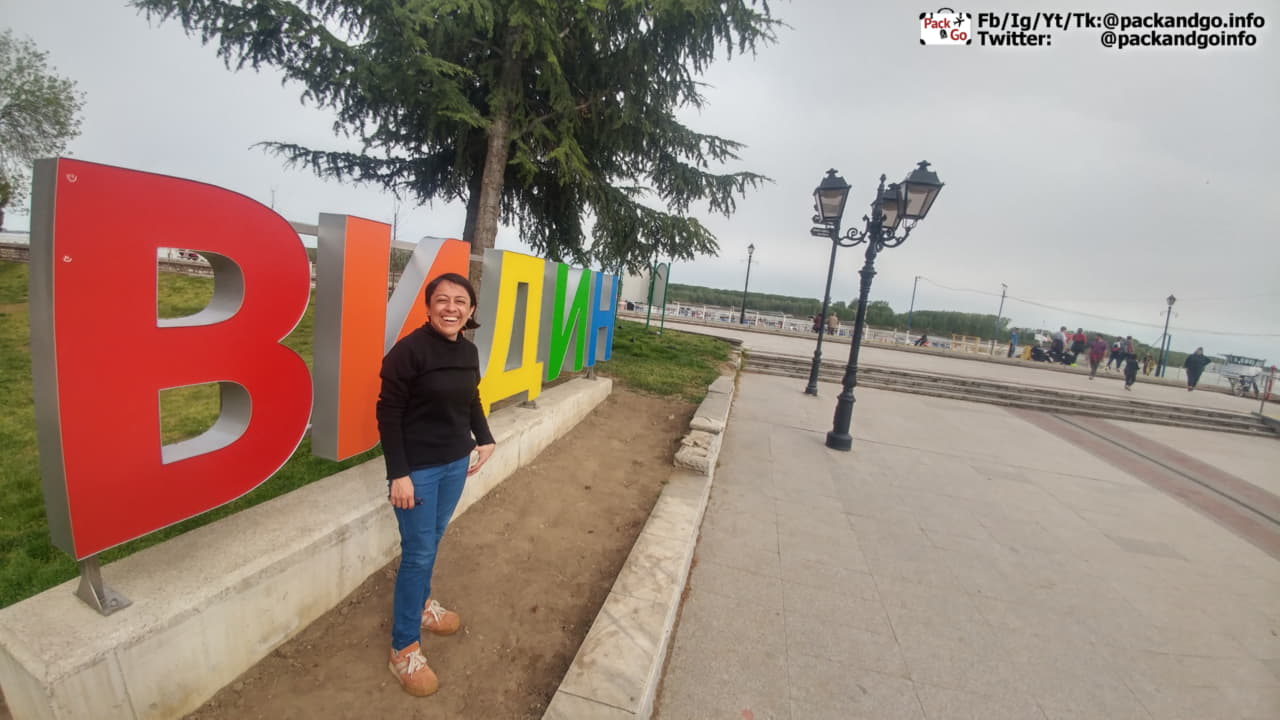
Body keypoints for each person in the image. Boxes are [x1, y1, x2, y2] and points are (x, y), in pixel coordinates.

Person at [376, 272, 497, 697]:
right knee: (419, 552)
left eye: (460, 301)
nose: (451, 308)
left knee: (434, 538)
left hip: (454, 464)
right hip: (418, 470)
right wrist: (399, 474)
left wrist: (484, 439)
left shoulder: (468, 351)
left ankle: (423, 606)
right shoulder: (408, 353)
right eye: (442, 300)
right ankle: (403, 647)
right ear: (428, 308)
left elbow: (471, 399)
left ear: (470, 310)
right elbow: (388, 414)